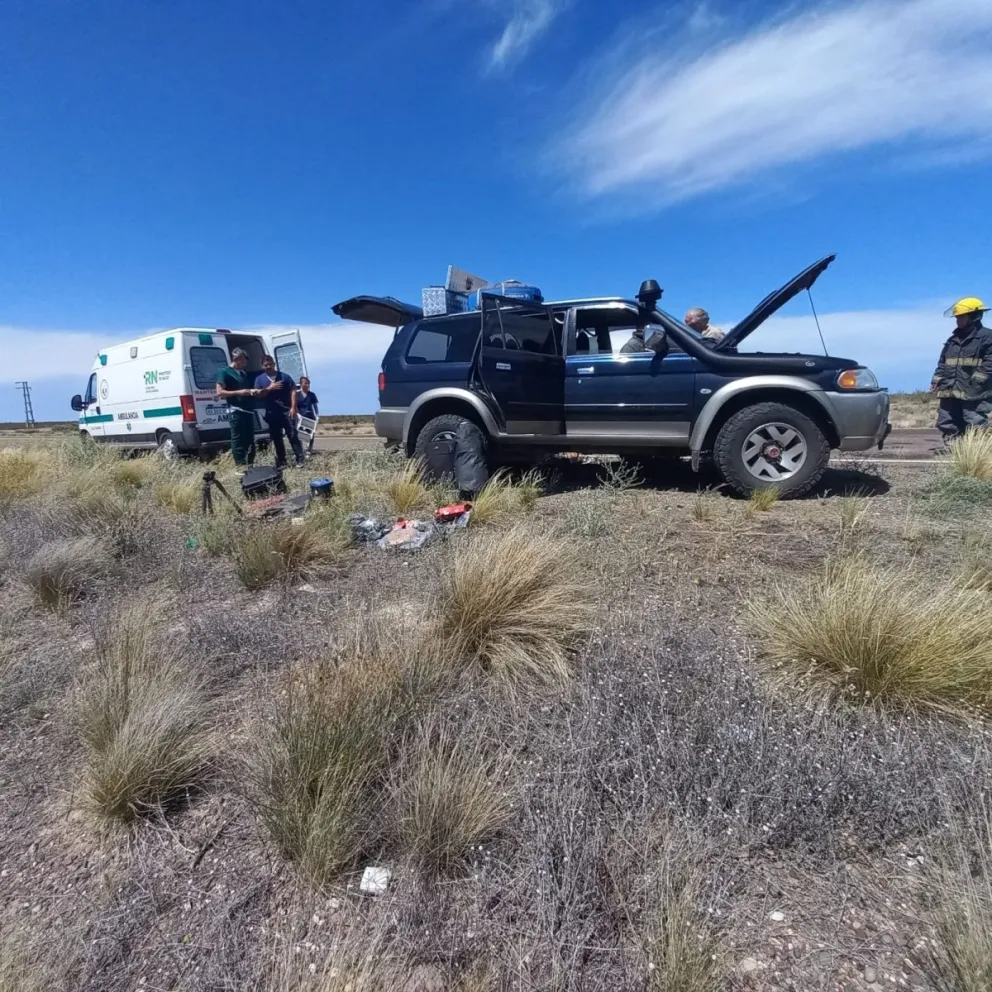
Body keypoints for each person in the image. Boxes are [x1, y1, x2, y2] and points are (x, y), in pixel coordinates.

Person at [930, 297, 992, 442]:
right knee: (946, 421)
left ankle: (977, 451)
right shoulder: (953, 340)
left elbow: (990, 363)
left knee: (974, 420)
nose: (957, 320)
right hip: (949, 390)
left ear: (974, 317)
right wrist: (936, 380)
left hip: (974, 392)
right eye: (956, 317)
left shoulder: (987, 337)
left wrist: (977, 380)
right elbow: (943, 363)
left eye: (961, 317)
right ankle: (953, 448)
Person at [215, 348, 262, 471]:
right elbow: (220, 392)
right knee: (239, 439)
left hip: (248, 410)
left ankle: (250, 464)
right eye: (243, 361)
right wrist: (239, 392)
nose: (245, 364)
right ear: (236, 359)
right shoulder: (224, 372)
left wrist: (252, 392)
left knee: (250, 439)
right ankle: (240, 466)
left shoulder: (243, 373)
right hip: (236, 410)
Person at [255, 355, 305, 468]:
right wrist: (269, 388)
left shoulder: (284, 377)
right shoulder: (259, 379)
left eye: (270, 364)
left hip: (287, 412)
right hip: (272, 413)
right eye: (265, 365)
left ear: (274, 364)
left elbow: (293, 391)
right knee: (277, 438)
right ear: (262, 366)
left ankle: (300, 459)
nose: (268, 366)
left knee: (292, 435)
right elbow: (258, 395)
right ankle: (282, 461)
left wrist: (293, 407)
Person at [296, 375, 319, 455]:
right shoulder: (296, 395)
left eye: (308, 383)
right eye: (306, 383)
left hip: (310, 417)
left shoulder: (312, 395)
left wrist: (317, 415)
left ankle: (309, 450)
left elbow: (315, 406)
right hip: (300, 417)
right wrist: (298, 415)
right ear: (301, 384)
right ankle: (300, 451)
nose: (307, 385)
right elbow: (294, 406)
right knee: (300, 435)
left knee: (310, 434)